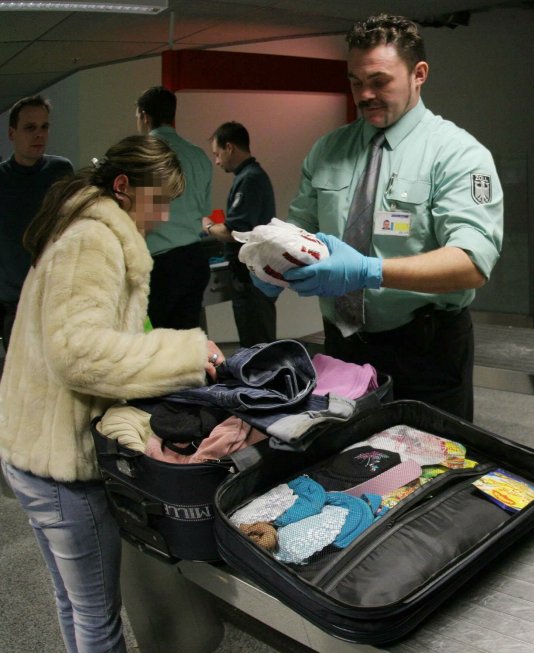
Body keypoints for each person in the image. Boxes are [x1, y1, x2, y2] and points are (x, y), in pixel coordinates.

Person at [0, 134, 224, 653]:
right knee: (99, 616)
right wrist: (186, 356)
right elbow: (80, 354)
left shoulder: (76, 225)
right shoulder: (94, 240)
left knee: (73, 602)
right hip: (58, 463)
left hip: (29, 449)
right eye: (159, 200)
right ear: (124, 187)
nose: (164, 215)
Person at [276, 13, 503, 421]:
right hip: (343, 343)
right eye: (354, 81)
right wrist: (273, 260)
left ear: (419, 74)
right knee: (347, 462)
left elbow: (471, 263)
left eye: (379, 81)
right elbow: (300, 231)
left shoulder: (458, 154)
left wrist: (369, 271)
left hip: (425, 349)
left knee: (431, 463)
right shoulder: (328, 150)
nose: (364, 94)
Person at [135, 86, 213, 330]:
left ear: (145, 116)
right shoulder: (198, 155)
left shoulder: (141, 154)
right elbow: (204, 210)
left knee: (152, 344)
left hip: (159, 266)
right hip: (194, 261)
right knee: (186, 345)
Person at [0, 96, 73, 355]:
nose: (39, 134)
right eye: (30, 127)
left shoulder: (60, 171)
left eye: (44, 127)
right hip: (15, 302)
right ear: (12, 133)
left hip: (57, 297)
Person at [205, 121, 278, 347]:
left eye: (218, 154)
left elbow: (232, 231)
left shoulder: (250, 179)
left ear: (230, 148)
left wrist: (207, 226)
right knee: (255, 341)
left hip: (251, 279)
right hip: (251, 277)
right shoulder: (248, 177)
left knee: (256, 345)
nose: (217, 161)